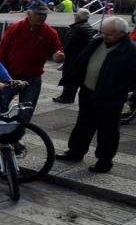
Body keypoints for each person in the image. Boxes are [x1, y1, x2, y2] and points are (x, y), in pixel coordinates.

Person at [57, 16, 136, 173]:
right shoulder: (98, 42)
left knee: (108, 130)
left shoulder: (131, 51)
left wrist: (117, 89)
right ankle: (75, 152)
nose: (104, 36)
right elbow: (82, 60)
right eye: (103, 32)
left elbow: (133, 78)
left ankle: (104, 160)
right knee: (83, 124)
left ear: (121, 33)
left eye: (109, 34)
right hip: (88, 90)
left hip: (110, 97)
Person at [0, 1, 65, 123]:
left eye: (45, 14)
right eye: (39, 14)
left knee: (26, 111)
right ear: (29, 13)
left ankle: (16, 137)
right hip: (11, 75)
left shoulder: (50, 32)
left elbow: (58, 51)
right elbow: (3, 51)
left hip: (32, 77)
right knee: (1, 107)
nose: (42, 17)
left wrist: (59, 56)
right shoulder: (15, 28)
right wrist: (3, 74)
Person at [53, 8, 96, 104]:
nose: (74, 16)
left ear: (78, 17)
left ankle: (67, 97)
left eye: (76, 15)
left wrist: (63, 52)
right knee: (74, 78)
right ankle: (67, 96)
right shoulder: (87, 26)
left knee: (69, 77)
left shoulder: (77, 28)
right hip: (80, 56)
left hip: (73, 57)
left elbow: (70, 43)